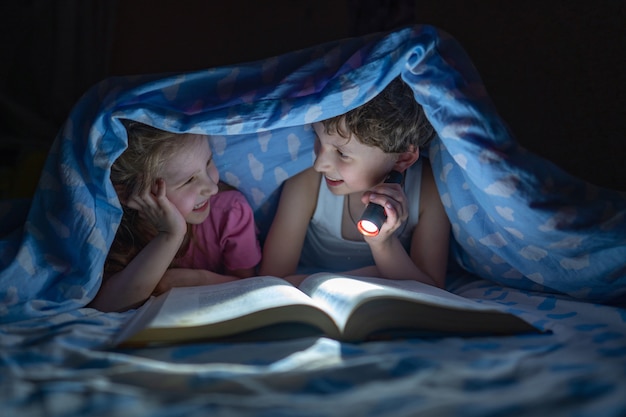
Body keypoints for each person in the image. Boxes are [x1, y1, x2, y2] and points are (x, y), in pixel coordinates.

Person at [259, 77, 450, 288]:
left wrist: (383, 245)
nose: (319, 164)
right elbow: (271, 280)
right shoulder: (307, 182)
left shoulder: (428, 190)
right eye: (318, 140)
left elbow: (433, 288)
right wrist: (377, 274)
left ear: (403, 158)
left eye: (341, 153)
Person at [89, 121, 261, 312]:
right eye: (188, 181)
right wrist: (171, 235)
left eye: (208, 162)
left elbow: (249, 284)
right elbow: (107, 308)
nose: (212, 188)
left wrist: (199, 280)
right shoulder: (112, 232)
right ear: (129, 194)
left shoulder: (230, 213)